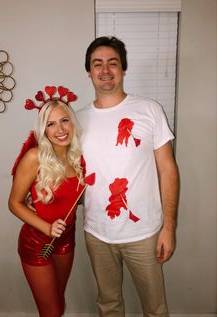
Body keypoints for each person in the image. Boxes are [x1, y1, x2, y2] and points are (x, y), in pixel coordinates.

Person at [76, 36, 180, 317]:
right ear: (89, 71)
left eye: (113, 63)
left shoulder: (149, 110)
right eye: (97, 64)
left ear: (123, 68)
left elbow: (168, 169)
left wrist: (168, 228)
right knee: (108, 305)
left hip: (145, 233)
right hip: (97, 232)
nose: (105, 70)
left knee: (155, 309)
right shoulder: (76, 120)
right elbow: (73, 175)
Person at [8, 86, 85, 317]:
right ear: (43, 129)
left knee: (58, 305)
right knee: (50, 312)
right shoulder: (34, 157)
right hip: (37, 241)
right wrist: (46, 226)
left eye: (64, 121)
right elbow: (14, 203)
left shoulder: (79, 156)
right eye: (51, 124)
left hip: (66, 238)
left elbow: (73, 197)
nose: (60, 129)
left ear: (72, 123)